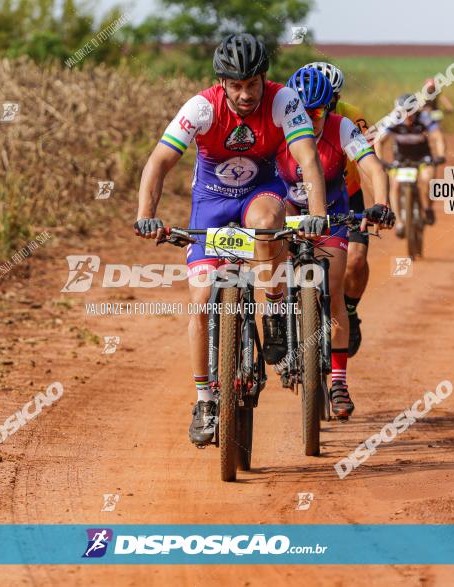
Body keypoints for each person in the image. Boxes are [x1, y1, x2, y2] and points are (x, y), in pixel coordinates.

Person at [134, 34, 329, 446]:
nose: (245, 94)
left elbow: (308, 158)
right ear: (221, 83)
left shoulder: (284, 101)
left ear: (264, 79)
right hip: (212, 202)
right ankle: (205, 399)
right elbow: (158, 162)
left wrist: (316, 214)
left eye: (252, 85)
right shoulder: (201, 107)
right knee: (202, 300)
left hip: (261, 192)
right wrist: (146, 216)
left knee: (267, 224)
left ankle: (275, 308)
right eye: (236, 86)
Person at [276, 66, 393, 419]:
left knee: (336, 286)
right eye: (302, 111)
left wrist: (382, 204)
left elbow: (372, 167)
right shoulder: (278, 125)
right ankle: (279, 323)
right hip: (286, 209)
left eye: (317, 112)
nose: (309, 118)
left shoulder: (343, 127)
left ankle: (339, 381)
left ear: (330, 108)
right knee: (269, 268)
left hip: (333, 211)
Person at [303, 61, 372, 359]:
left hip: (348, 196)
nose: (319, 111)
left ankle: (350, 311)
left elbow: (370, 163)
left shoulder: (351, 117)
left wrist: (379, 204)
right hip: (305, 197)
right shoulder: (293, 116)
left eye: (327, 103)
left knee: (355, 261)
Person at [376, 94, 446, 235]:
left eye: (410, 112)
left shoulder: (424, 118)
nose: (407, 116)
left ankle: (427, 209)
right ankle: (399, 223)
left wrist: (441, 155)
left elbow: (438, 137)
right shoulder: (392, 120)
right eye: (403, 112)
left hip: (422, 156)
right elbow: (379, 141)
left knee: (427, 178)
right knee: (394, 184)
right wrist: (380, 160)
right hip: (401, 158)